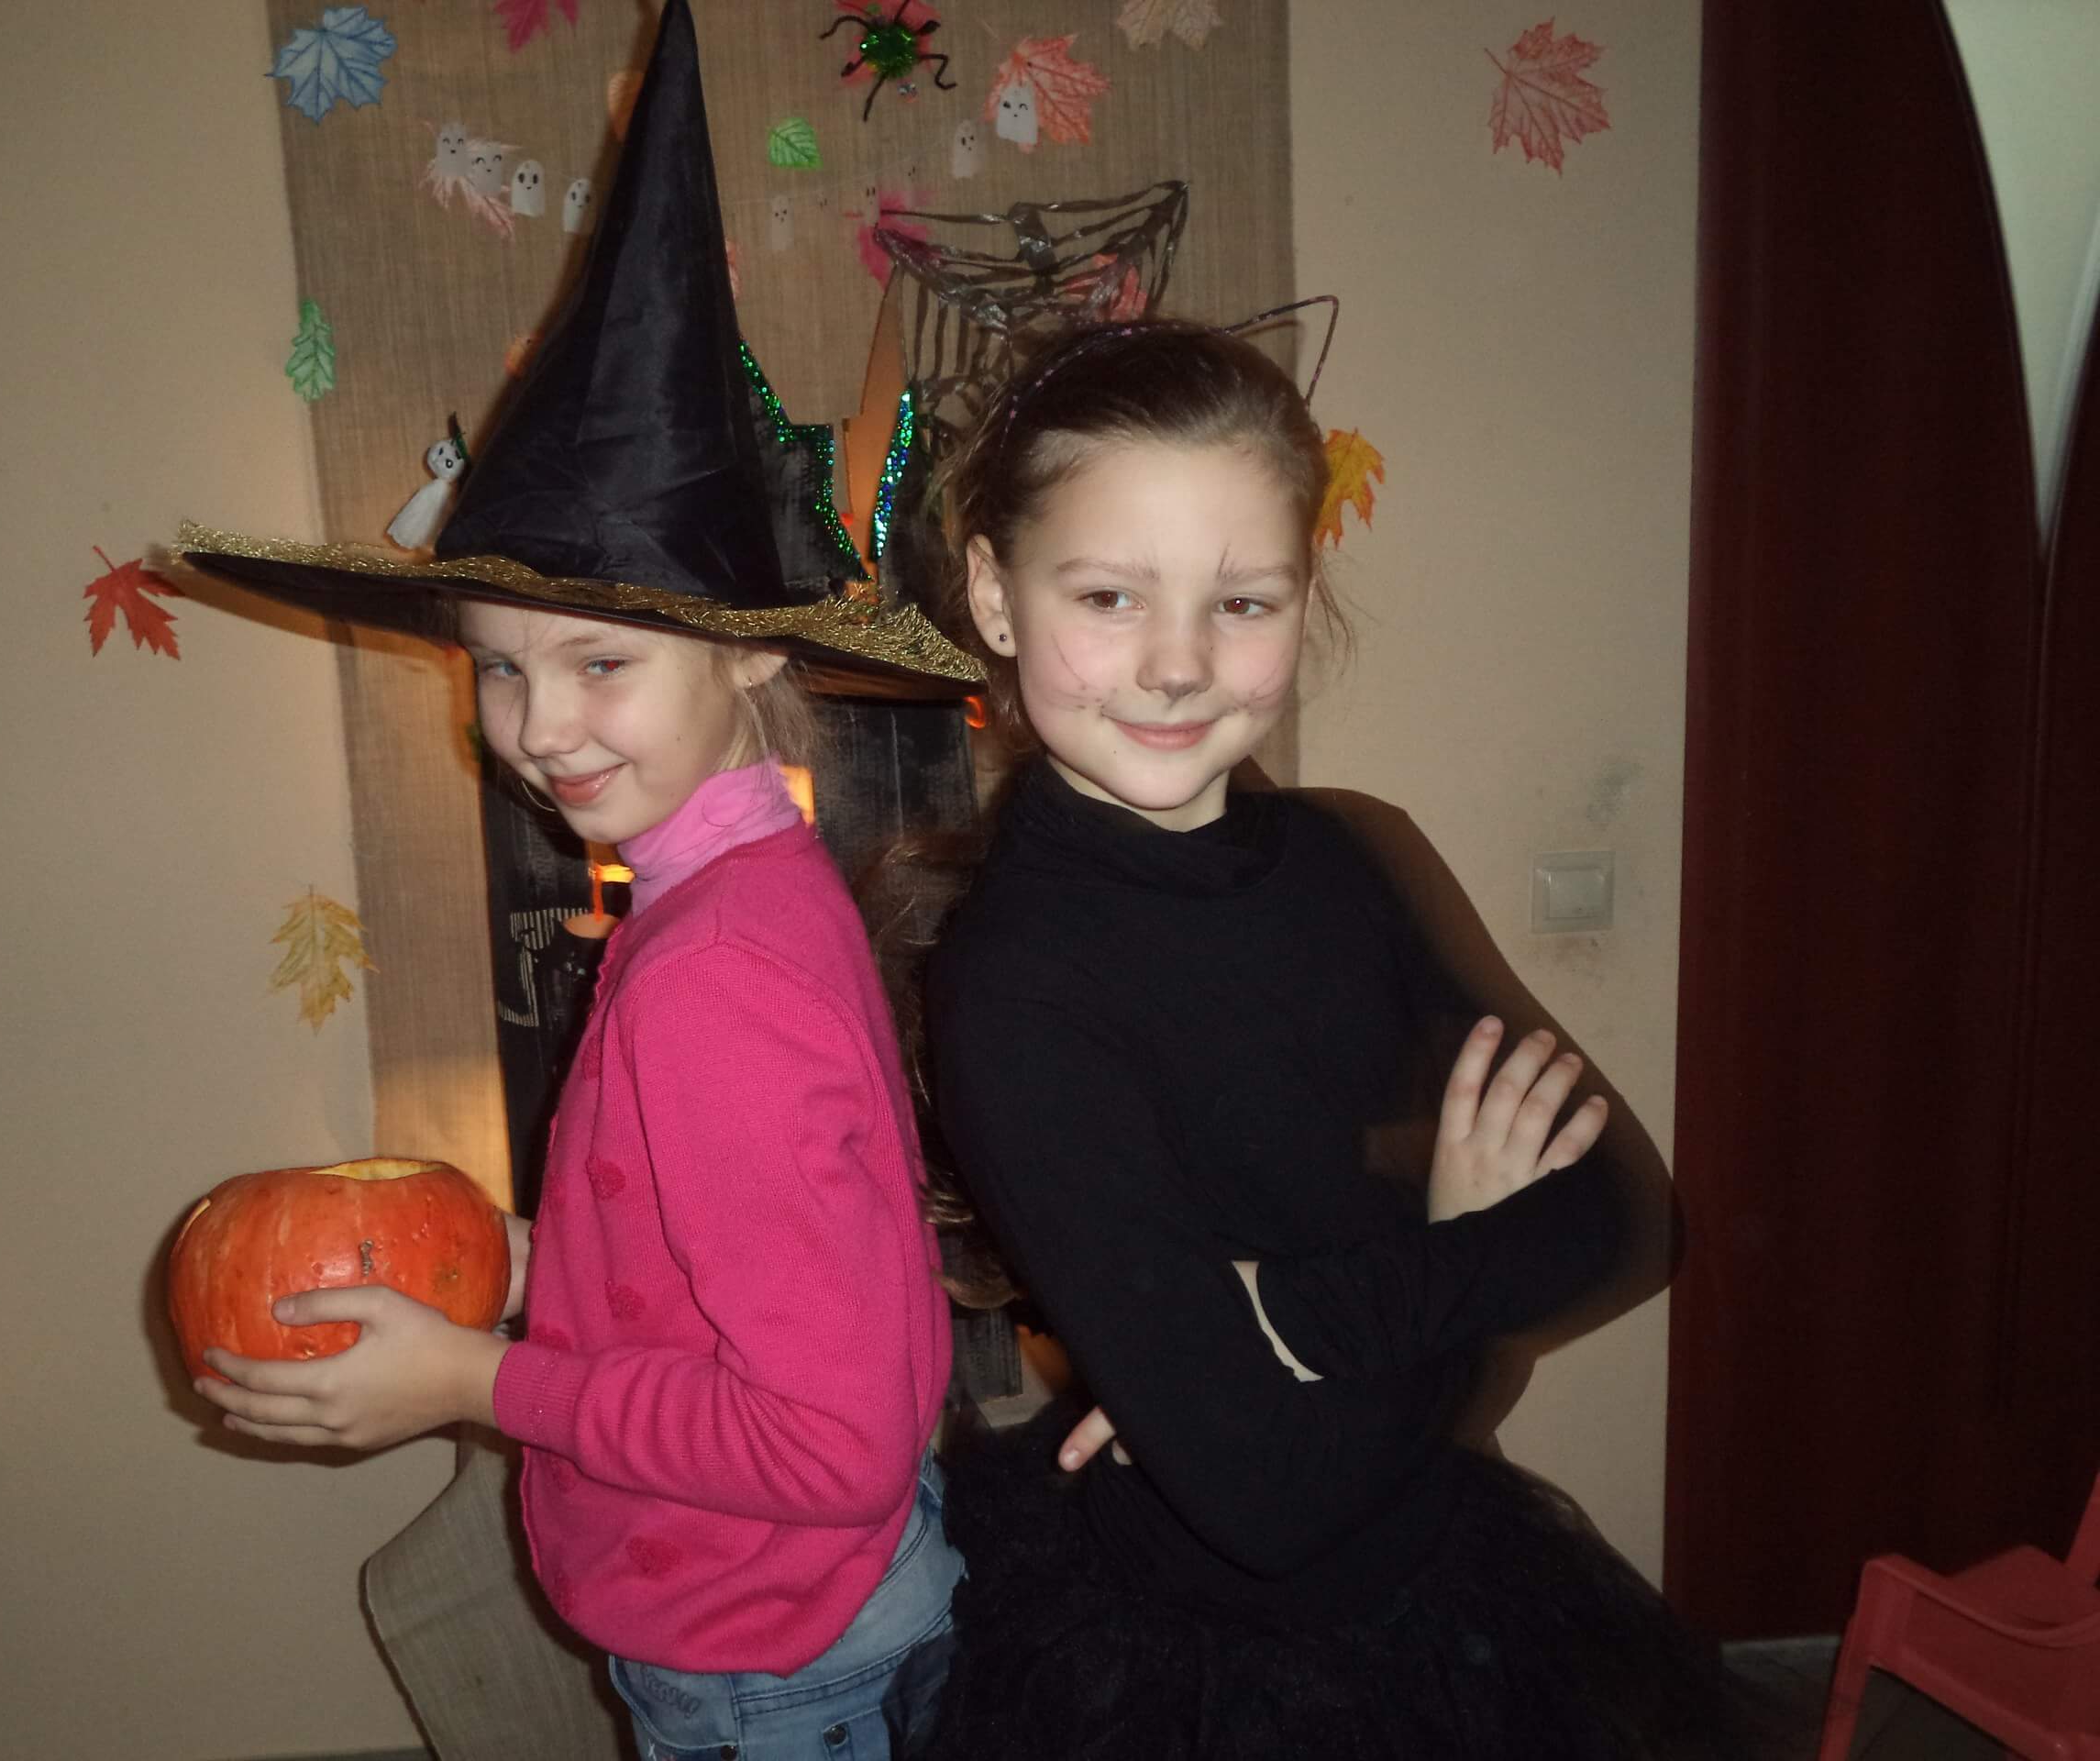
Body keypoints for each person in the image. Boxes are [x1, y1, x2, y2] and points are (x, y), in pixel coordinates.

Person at [173, 5, 984, 1755]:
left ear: (748, 657)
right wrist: (515, 1264)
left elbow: (830, 1440)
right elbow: (733, 1268)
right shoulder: (739, 886)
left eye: (600, 661)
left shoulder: (714, 981)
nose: (538, 726)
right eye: (497, 667)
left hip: (774, 1666)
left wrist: (476, 1380)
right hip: (813, 1612)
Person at [890, 316, 1763, 1758]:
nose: (1178, 665)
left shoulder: (1359, 856)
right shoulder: (1019, 988)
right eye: (1108, 596)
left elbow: (1631, 1219)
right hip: (1211, 1661)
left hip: (1452, 1574)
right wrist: (1466, 1256)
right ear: (993, 592)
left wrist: (1286, 1321)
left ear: (1306, 593)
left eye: (1243, 602)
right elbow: (1271, 1502)